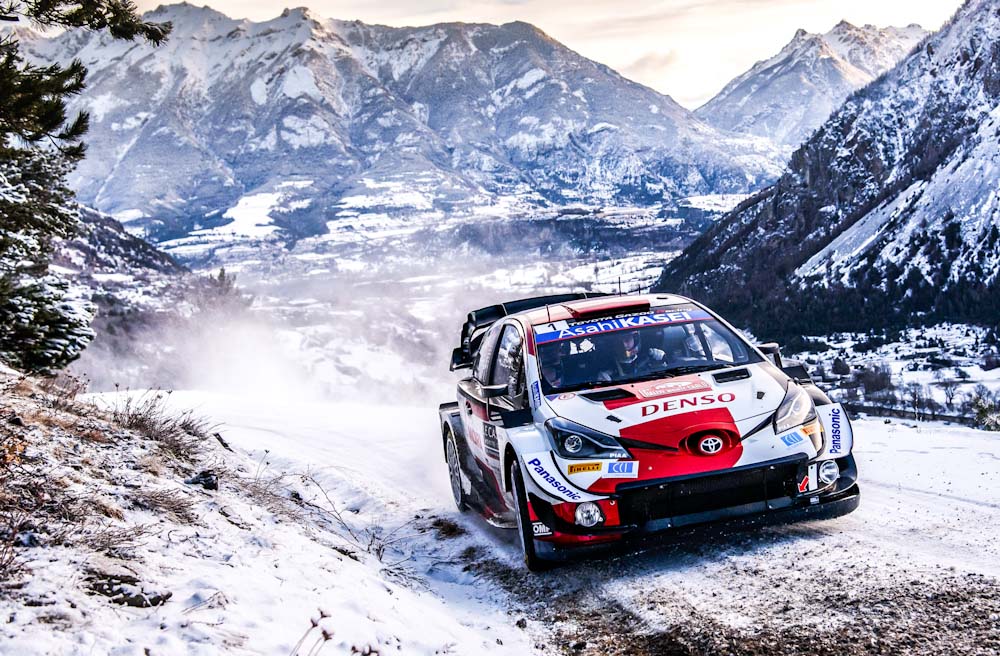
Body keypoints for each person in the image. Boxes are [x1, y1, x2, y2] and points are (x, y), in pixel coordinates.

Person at [598, 330, 666, 382]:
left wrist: (661, 362)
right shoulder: (606, 367)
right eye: (618, 342)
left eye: (627, 339)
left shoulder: (650, 357)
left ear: (635, 339)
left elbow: (665, 376)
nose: (624, 345)